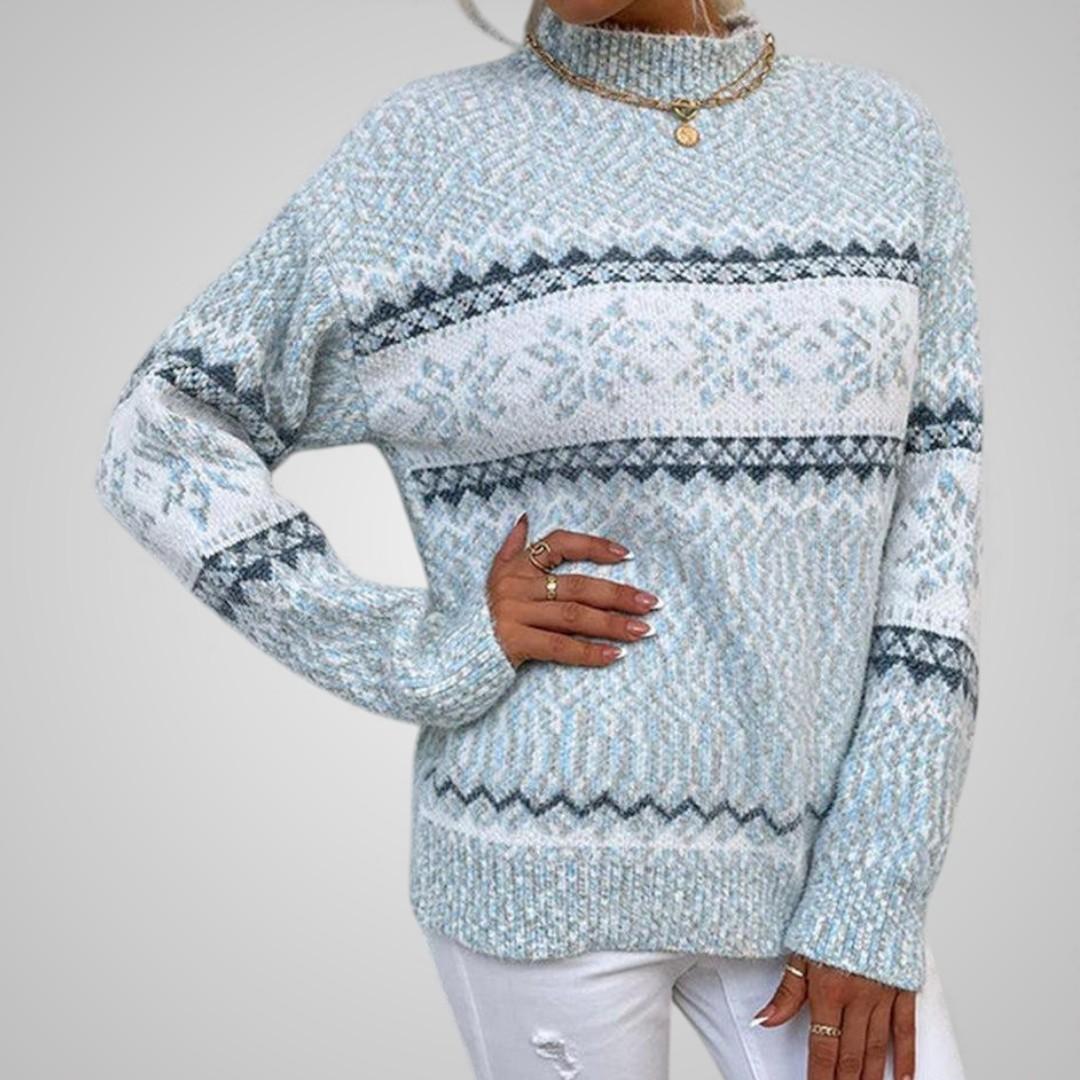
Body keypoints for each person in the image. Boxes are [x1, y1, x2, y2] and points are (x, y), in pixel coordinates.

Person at [93, 0, 983, 1076]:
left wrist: (877, 883)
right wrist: (421, 648)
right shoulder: (417, 157)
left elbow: (932, 552)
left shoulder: (883, 141)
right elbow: (162, 434)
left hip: (821, 872)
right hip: (536, 857)